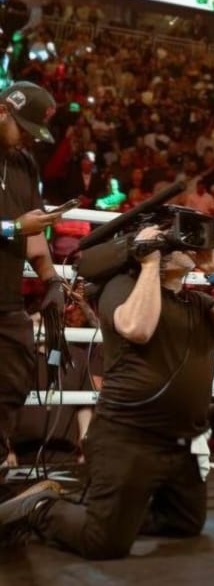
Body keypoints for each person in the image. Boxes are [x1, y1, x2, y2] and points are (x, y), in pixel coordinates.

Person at [0, 223, 214, 558]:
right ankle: (40, 510)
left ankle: (115, 516)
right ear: (157, 255)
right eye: (176, 243)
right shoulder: (120, 287)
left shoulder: (198, 302)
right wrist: (148, 265)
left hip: (180, 443)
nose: (188, 246)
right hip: (129, 437)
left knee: (185, 524)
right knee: (102, 543)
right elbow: (137, 328)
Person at [0, 81, 73, 473]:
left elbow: (35, 235)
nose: (27, 138)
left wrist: (51, 281)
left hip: (7, 300)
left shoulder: (24, 163)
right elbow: (20, 227)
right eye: (23, 127)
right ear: (2, 111)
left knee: (14, 379)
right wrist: (12, 227)